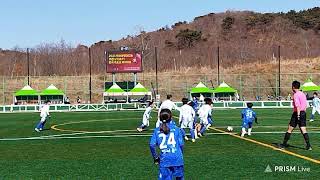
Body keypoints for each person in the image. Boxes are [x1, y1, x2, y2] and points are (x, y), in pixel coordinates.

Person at [149, 109, 184, 180]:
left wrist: (155, 157)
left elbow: (152, 145)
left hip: (164, 159)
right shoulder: (177, 129)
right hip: (177, 158)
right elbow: (181, 144)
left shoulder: (157, 130)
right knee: (179, 178)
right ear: (171, 117)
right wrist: (180, 154)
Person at [280, 81, 312, 150]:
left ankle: (284, 145)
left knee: (290, 128)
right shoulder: (303, 94)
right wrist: (303, 114)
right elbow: (305, 105)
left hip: (297, 113)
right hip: (303, 112)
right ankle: (309, 146)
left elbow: (298, 106)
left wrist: (298, 115)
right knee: (303, 129)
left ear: (293, 87)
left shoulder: (296, 95)